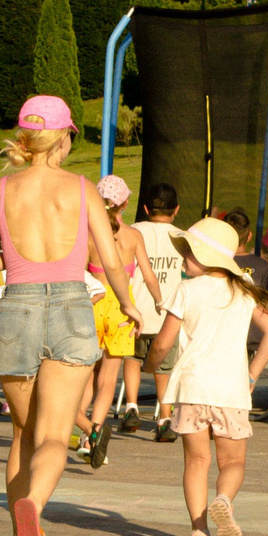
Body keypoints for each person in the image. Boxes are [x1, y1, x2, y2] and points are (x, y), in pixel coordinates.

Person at [0, 95, 130, 536]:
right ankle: (33, 508)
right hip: (70, 307)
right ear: (62, 137)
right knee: (55, 435)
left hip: (16, 307)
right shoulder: (82, 189)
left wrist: (17, 264)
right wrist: (131, 302)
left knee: (22, 431)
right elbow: (110, 259)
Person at [147, 217, 268, 536]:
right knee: (232, 464)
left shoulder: (186, 290)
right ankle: (224, 500)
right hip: (231, 390)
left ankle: (199, 534)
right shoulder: (242, 291)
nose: (183, 259)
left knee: (196, 462)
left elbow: (162, 345)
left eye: (188, 252)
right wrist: (253, 373)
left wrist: (149, 366)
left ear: (205, 255)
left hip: (192, 388)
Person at [78, 176, 158, 467]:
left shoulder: (88, 234)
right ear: (126, 202)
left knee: (86, 375)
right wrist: (160, 302)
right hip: (122, 310)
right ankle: (95, 431)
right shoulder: (133, 235)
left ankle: (84, 431)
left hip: (93, 304)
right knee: (108, 379)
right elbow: (148, 275)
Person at [119, 182, 186, 442]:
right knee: (164, 369)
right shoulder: (182, 236)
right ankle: (164, 418)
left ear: (145, 208)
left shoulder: (134, 231)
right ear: (176, 209)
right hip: (168, 314)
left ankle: (131, 407)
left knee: (132, 360)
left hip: (135, 310)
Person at [219, 207, 268, 373]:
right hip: (254, 332)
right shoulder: (264, 267)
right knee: (243, 373)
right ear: (249, 235)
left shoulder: (217, 264)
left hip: (224, 331)